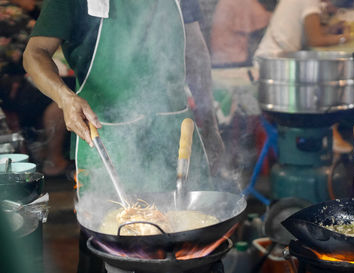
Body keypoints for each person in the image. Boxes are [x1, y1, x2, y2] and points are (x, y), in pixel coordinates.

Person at [24, 0, 224, 271]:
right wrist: (65, 99)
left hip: (178, 141)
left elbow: (196, 53)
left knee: (194, 248)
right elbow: (35, 53)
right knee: (114, 246)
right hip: (108, 142)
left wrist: (211, 125)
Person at [0, 0, 70, 176]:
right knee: (65, 91)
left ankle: (41, 147)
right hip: (10, 85)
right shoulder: (12, 14)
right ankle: (53, 159)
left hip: (10, 86)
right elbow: (37, 52)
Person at [254, 0, 351, 57]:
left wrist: (329, 30)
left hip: (269, 55)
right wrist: (344, 38)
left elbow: (308, 30)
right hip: (274, 57)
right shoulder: (310, 1)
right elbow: (315, 40)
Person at [210, 0, 272, 67]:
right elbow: (262, 19)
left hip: (222, 58)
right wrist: (281, 11)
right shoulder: (241, 1)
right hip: (231, 59)